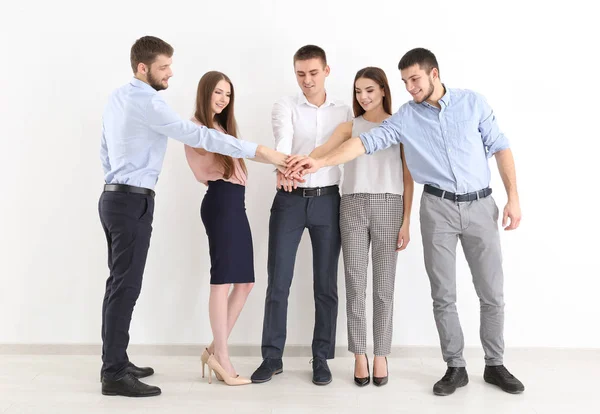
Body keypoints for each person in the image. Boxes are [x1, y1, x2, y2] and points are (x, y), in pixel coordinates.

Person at [286, 48, 525, 396]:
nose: (410, 88)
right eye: (405, 82)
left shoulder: (473, 102)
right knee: (443, 294)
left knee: (491, 292)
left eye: (415, 79)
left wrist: (513, 198)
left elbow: (501, 147)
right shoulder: (405, 118)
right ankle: (455, 366)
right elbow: (363, 143)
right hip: (437, 207)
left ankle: (495, 364)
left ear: (434, 73)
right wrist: (319, 163)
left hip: (480, 204)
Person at [99, 36, 286, 397]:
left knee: (118, 285)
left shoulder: (117, 98)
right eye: (163, 67)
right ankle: (113, 372)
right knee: (125, 287)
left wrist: (117, 183)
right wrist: (262, 151)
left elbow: (105, 150)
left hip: (114, 196)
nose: (170, 73)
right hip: (131, 200)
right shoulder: (150, 103)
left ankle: (116, 359)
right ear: (143, 68)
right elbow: (195, 134)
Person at [250, 45, 353, 386]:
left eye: (313, 72)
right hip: (290, 199)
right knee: (278, 281)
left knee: (326, 285)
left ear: (326, 70)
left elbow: (342, 150)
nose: (307, 80)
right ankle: (272, 358)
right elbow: (284, 138)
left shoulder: (345, 110)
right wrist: (284, 163)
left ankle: (321, 358)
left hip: (328, 200)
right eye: (300, 73)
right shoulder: (286, 104)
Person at [308, 67, 414, 386]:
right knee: (355, 283)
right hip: (352, 205)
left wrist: (407, 221)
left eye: (369, 90)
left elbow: (409, 177)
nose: (363, 97)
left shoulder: (400, 126)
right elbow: (321, 153)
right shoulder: (350, 126)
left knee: (384, 288)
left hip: (389, 205)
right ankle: (359, 354)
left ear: (383, 90)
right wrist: (295, 165)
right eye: (358, 91)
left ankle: (380, 353)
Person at [184, 71, 254, 386]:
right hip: (221, 202)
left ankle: (214, 349)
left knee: (245, 283)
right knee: (222, 282)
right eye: (218, 93)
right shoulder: (197, 128)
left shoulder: (221, 127)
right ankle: (222, 359)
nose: (223, 99)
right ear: (205, 93)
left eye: (227, 94)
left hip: (235, 204)